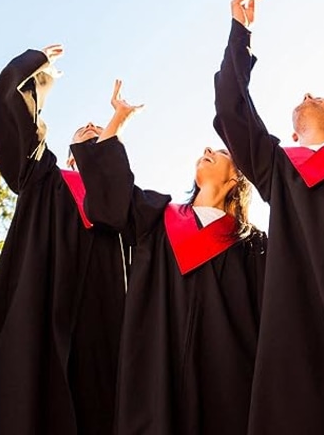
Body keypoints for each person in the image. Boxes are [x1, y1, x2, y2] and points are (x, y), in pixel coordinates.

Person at [71, 80, 267, 435]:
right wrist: (117, 124)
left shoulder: (254, 246)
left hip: (227, 383)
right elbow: (110, 202)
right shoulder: (156, 216)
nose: (209, 147)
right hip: (151, 375)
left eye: (222, 152)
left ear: (239, 175)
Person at [213, 0, 324, 434]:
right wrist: (240, 33)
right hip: (295, 337)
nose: (307, 91)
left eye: (320, 96)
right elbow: (231, 110)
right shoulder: (279, 168)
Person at [0, 45, 127, 435]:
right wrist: (35, 67)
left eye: (100, 131)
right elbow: (12, 112)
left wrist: (113, 134)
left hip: (104, 327)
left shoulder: (131, 207)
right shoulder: (43, 177)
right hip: (35, 314)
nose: (93, 126)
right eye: (84, 131)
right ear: (72, 155)